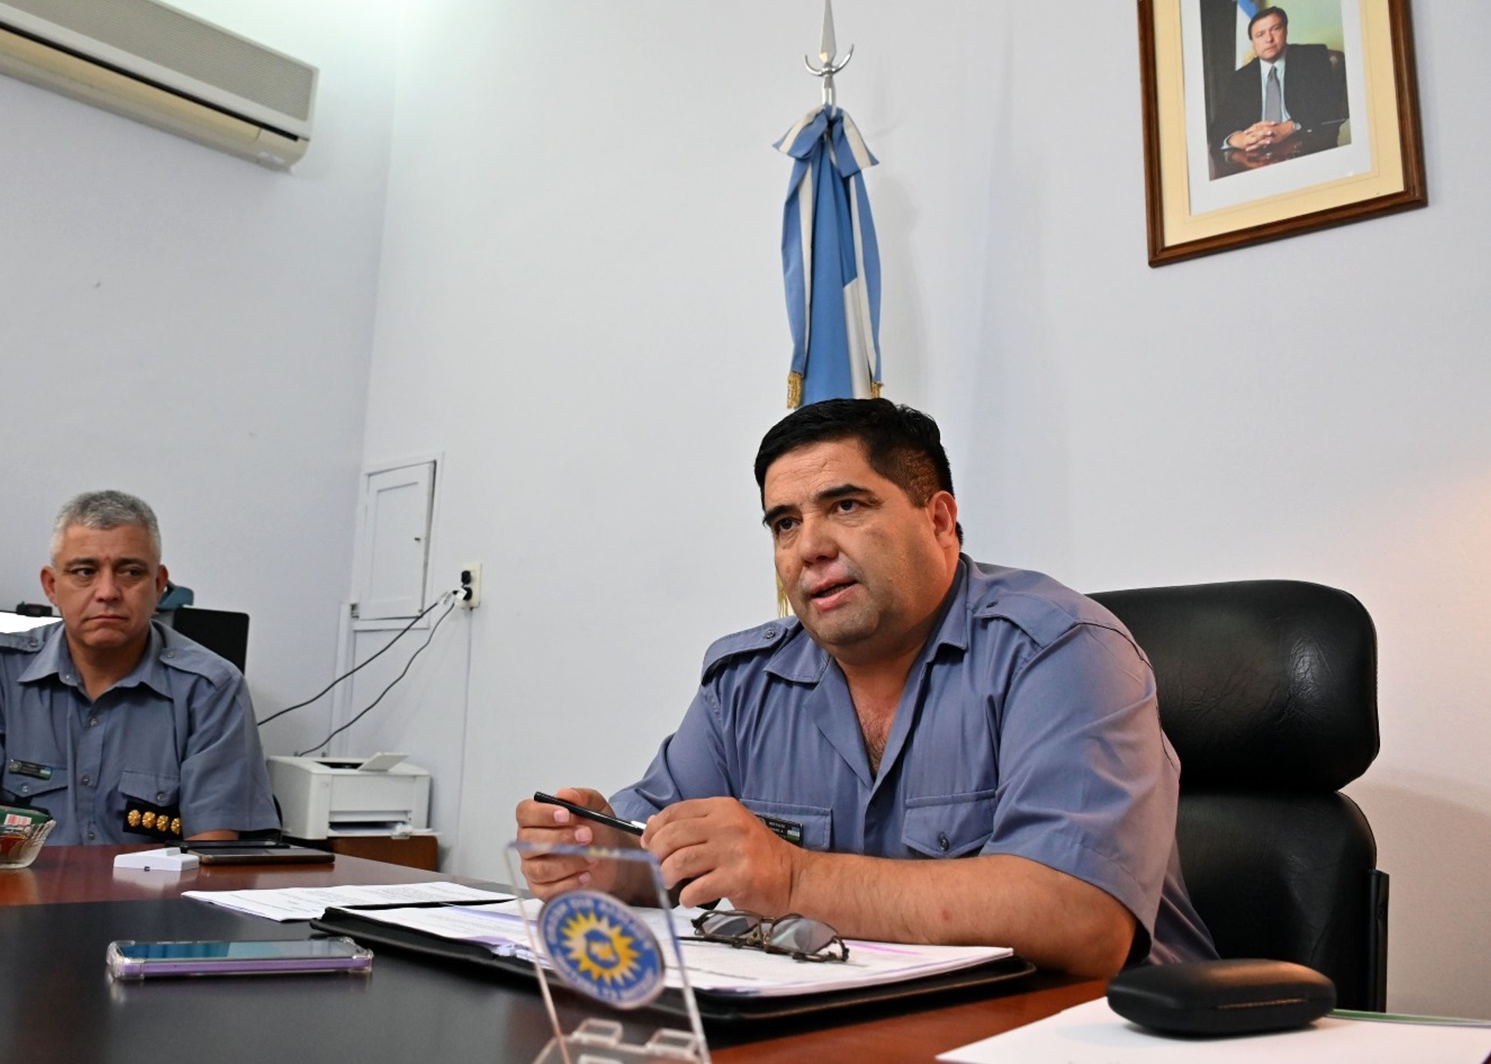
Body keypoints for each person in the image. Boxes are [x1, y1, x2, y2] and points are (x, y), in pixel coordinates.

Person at [516, 400, 1216, 977]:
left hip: (1089, 1037)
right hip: (849, 1027)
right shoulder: (745, 681)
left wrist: (792, 879)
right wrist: (602, 857)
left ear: (939, 519)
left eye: (845, 505)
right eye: (785, 522)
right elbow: (662, 846)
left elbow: (1081, 919)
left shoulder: (1063, 650)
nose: (808, 547)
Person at [0, 491, 277, 848]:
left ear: (159, 585)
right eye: (84, 571)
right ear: (52, 587)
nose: (107, 592)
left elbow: (211, 850)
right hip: (10, 903)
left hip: (151, 909)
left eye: (130, 572)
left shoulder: (210, 688)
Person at [1207, 6, 1345, 155]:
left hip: (1306, 146)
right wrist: (1239, 139)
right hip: (1257, 157)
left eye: (1275, 29)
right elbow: (1218, 127)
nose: (1269, 39)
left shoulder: (1312, 57)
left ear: (1285, 30)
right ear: (1253, 42)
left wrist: (1288, 128)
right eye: (1260, 34)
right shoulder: (1240, 78)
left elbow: (1333, 105)